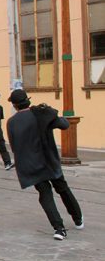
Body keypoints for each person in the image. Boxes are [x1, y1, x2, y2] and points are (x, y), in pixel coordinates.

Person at [6, 90, 83, 240]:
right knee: (62, 188)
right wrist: (50, 113)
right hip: (49, 161)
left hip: (31, 165)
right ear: (28, 100)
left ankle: (59, 229)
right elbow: (65, 125)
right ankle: (78, 218)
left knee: (45, 194)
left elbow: (14, 147)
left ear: (14, 106)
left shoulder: (11, 122)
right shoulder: (41, 114)